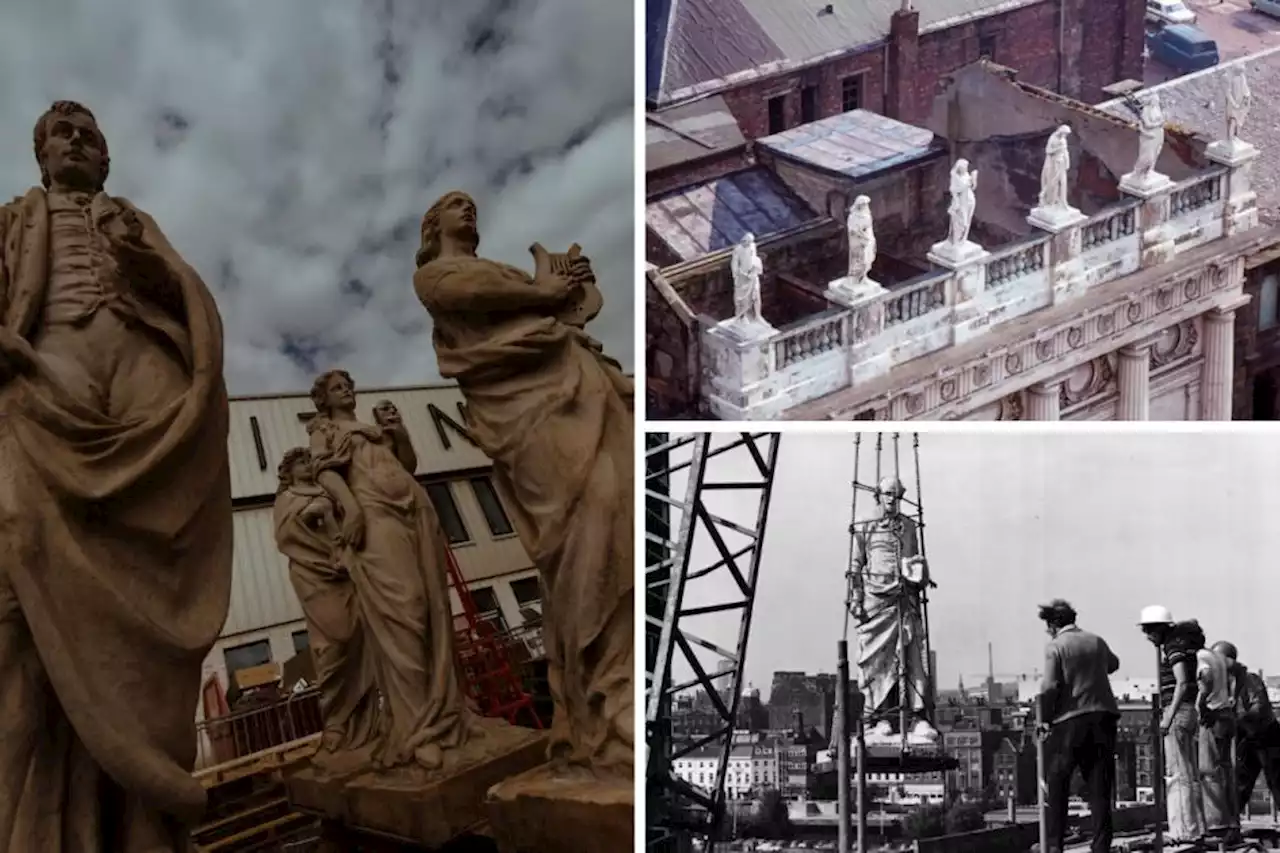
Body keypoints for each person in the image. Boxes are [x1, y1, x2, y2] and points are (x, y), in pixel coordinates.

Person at [0, 101, 232, 850]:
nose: (76, 141)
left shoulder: (131, 218)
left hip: (141, 363)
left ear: (105, 159)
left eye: (89, 135)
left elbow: (189, 297)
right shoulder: (15, 219)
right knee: (26, 543)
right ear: (40, 156)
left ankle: (145, 802)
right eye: (61, 133)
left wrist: (154, 265)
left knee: (159, 555)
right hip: (50, 363)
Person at [413, 192, 634, 776]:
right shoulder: (438, 275)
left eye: (472, 204)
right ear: (432, 227)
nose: (470, 209)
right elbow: (465, 298)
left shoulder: (503, 272)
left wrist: (572, 290)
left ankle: (619, 686)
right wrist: (542, 295)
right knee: (585, 524)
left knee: (620, 515)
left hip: (578, 382)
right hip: (527, 410)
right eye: (455, 205)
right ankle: (603, 701)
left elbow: (566, 314)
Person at [306, 369, 521, 772]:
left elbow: (408, 464)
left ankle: (451, 713)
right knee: (405, 610)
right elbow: (325, 471)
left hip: (415, 508)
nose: (347, 390)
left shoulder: (370, 427)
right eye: (337, 388)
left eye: (349, 384)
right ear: (324, 400)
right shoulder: (324, 430)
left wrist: (398, 432)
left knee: (435, 609)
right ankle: (418, 728)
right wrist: (350, 508)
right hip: (373, 514)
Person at [273, 447, 382, 772]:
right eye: (300, 462)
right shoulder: (287, 499)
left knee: (361, 637)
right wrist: (311, 521)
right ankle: (335, 720)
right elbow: (284, 537)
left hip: (344, 568)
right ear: (288, 471)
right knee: (333, 642)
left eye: (309, 460)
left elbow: (351, 518)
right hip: (312, 572)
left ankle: (364, 725)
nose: (307, 466)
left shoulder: (326, 490)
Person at [848, 475, 936, 744]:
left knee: (911, 657)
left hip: (903, 598)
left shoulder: (908, 527)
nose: (892, 499)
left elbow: (915, 558)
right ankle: (881, 716)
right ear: (879, 495)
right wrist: (855, 598)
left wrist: (918, 571)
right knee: (878, 661)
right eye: (887, 493)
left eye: (897, 495)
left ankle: (918, 715)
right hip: (876, 601)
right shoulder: (866, 525)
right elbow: (855, 564)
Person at [1037, 599, 1120, 853]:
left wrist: (1044, 718)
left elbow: (1050, 686)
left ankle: (1054, 846)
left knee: (1058, 784)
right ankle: (1101, 847)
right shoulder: (1095, 640)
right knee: (1100, 788)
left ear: (1052, 624)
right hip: (1104, 718)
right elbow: (1113, 665)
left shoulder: (1056, 646)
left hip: (1071, 721)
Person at [1140, 606, 1205, 843]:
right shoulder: (1188, 644)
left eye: (1148, 631)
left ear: (1157, 629)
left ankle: (1182, 830)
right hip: (1189, 712)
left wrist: (1168, 716)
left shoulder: (1172, 645)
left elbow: (1182, 682)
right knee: (1190, 773)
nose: (1147, 637)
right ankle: (1196, 826)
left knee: (1177, 774)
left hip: (1177, 711)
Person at [1212, 642, 1280, 817]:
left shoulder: (1249, 679)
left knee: (1276, 780)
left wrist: (1239, 717)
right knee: (1240, 783)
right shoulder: (1221, 682)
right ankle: (1231, 824)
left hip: (1267, 736)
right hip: (1245, 737)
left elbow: (1260, 706)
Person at [1196, 639, 1239, 840]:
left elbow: (1205, 678)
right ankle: (1232, 823)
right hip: (1227, 716)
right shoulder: (1231, 668)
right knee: (1226, 771)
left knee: (1209, 771)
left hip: (1214, 716)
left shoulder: (1206, 658)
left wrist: (1200, 704)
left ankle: (1217, 825)